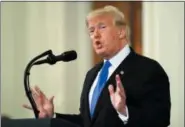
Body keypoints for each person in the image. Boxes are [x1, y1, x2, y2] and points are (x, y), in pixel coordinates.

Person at [23, 5, 171, 127]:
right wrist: (52, 116)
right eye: (91, 31)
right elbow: (86, 122)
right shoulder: (92, 74)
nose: (95, 35)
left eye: (102, 27)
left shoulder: (148, 69)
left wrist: (124, 111)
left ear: (121, 31)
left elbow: (160, 120)